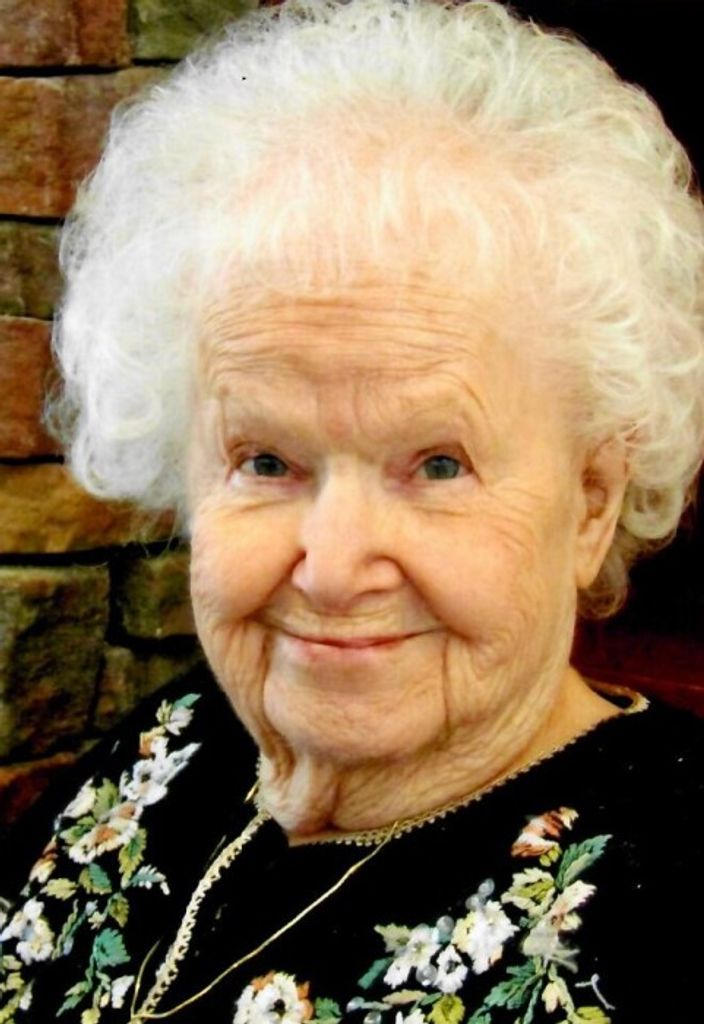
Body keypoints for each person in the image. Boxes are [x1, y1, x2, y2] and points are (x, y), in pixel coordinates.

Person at [1, 1, 703, 1021]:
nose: (331, 569)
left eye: (436, 465)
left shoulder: (669, 907)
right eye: (266, 460)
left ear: (591, 500)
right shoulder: (175, 744)